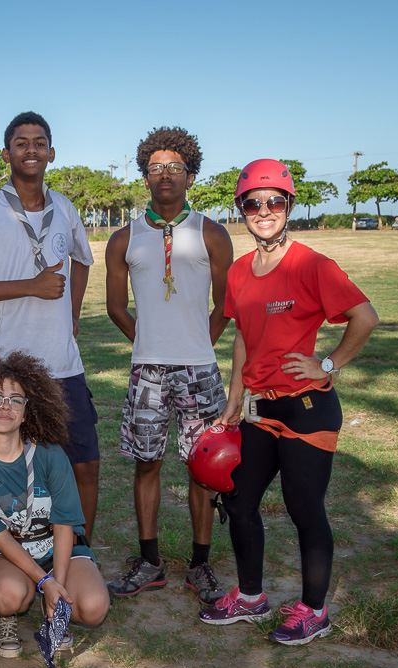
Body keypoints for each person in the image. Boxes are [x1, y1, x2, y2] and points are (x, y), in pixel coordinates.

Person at [198, 158, 378, 645]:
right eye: (253, 203)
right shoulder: (239, 271)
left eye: (274, 201)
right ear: (241, 208)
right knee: (239, 501)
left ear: (289, 206)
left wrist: (328, 364)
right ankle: (250, 597)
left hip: (307, 408)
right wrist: (235, 398)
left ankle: (314, 610)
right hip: (260, 409)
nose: (264, 211)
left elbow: (365, 317)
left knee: (304, 508)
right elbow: (242, 336)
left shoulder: (311, 265)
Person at [0, 112, 100, 539]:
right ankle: (17, 553)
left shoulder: (64, 207)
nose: (31, 150)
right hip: (7, 368)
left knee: (85, 464)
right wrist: (31, 287)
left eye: (39, 142)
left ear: (52, 152)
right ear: (6, 153)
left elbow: (83, 260)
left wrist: (72, 314)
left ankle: (82, 549)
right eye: (21, 143)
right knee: (12, 469)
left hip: (63, 364)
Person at [105, 127, 234, 604]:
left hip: (200, 369)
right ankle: (150, 562)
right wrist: (151, 344)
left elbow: (225, 305)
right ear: (145, 176)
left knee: (204, 466)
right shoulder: (123, 238)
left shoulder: (211, 233)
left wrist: (197, 344)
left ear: (190, 176)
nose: (165, 175)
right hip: (148, 371)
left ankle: (200, 565)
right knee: (147, 463)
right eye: (156, 167)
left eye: (175, 167)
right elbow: (116, 307)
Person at [0, 353, 109, 658]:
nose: (5, 406)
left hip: (59, 548)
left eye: (15, 400)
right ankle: (7, 616)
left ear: (26, 413)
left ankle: (55, 605)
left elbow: (64, 524)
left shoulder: (50, 454)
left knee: (93, 608)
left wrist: (56, 586)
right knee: (9, 596)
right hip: (5, 553)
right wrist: (43, 581)